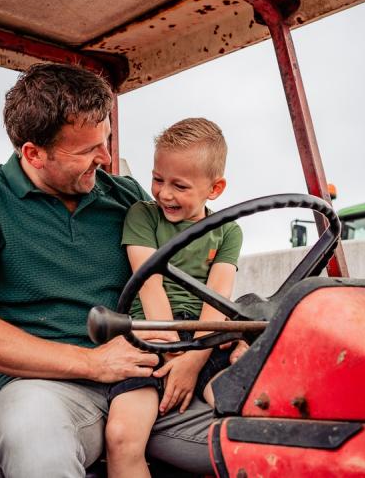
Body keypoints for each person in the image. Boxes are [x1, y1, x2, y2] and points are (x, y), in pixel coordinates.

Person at [0, 63, 216, 477]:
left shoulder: (127, 198)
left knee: (276, 430)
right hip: (43, 388)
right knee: (35, 442)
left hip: (146, 378)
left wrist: (221, 339)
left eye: (106, 141)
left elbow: (187, 279)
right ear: (33, 152)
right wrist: (92, 363)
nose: (105, 158)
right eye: (87, 150)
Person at [104, 118, 245, 478]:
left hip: (206, 336)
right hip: (150, 335)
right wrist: (172, 352)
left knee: (245, 409)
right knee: (122, 437)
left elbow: (216, 298)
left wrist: (194, 359)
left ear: (215, 189)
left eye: (179, 185)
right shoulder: (143, 215)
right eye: (158, 179)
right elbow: (148, 283)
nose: (164, 193)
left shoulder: (227, 231)